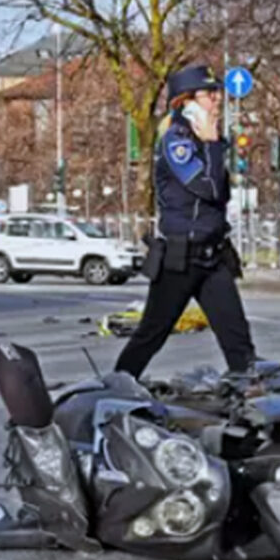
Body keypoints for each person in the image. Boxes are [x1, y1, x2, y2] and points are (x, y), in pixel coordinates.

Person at [114, 64, 256, 379]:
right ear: (186, 101)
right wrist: (211, 144)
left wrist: (213, 143)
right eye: (210, 94)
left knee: (236, 335)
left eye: (218, 92)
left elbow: (223, 196)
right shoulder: (176, 140)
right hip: (181, 257)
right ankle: (114, 387)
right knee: (153, 333)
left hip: (213, 254)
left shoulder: (208, 138)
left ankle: (252, 396)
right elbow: (209, 188)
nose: (218, 99)